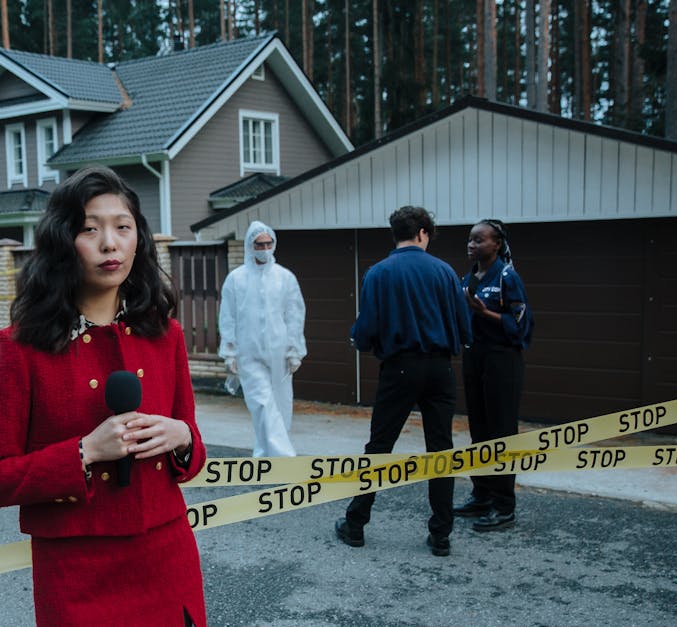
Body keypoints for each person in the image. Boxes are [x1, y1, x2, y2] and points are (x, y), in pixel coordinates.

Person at [0, 166, 208, 626]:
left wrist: (181, 436)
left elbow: (193, 455)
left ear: (139, 239)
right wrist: (84, 452)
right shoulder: (20, 348)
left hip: (166, 554)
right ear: (63, 242)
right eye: (89, 229)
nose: (109, 243)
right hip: (76, 570)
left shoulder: (166, 335)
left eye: (123, 227)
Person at [336, 206, 471, 557]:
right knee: (441, 449)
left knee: (379, 447)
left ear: (395, 233)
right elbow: (463, 326)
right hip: (440, 368)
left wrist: (362, 340)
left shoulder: (378, 273)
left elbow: (365, 332)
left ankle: (355, 525)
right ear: (423, 233)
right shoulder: (445, 272)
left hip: (398, 368)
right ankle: (441, 534)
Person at [453, 219, 534, 531]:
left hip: (503, 359)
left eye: (479, 240)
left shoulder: (507, 277)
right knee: (479, 430)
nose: (471, 245)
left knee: (500, 431)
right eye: (470, 240)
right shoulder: (469, 277)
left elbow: (521, 325)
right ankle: (482, 494)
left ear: (497, 244)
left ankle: (504, 506)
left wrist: (483, 311)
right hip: (475, 357)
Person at [218, 221, 307, 457]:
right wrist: (229, 352)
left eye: (269, 244)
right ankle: (285, 457)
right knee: (261, 402)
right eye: (260, 244)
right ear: (250, 245)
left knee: (281, 404)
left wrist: (294, 350)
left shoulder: (285, 278)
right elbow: (228, 317)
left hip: (280, 351)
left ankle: (265, 451)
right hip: (248, 353)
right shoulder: (236, 279)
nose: (265, 248)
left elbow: (295, 315)